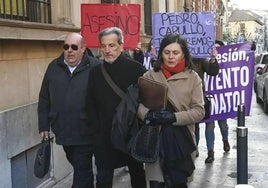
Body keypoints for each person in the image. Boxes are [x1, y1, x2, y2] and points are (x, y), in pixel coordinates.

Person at [137, 33, 205, 188]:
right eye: (167, 52)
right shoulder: (149, 75)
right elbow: (138, 105)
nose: (171, 57)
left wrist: (173, 117)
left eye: (175, 53)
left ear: (183, 54)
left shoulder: (193, 78)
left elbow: (199, 111)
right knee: (156, 184)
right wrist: (148, 114)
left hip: (181, 142)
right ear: (161, 53)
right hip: (154, 140)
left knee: (178, 184)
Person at [85, 27, 146, 188]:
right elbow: (89, 104)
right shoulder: (95, 72)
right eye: (104, 46)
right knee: (103, 179)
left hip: (131, 136)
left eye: (111, 45)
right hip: (104, 138)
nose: (107, 50)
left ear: (121, 45)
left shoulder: (137, 69)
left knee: (137, 175)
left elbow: (147, 101)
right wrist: (96, 132)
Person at [37, 33, 100, 188]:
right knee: (80, 168)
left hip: (86, 131)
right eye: (66, 47)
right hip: (63, 130)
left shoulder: (96, 67)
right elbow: (44, 97)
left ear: (83, 49)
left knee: (81, 169)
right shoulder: (53, 66)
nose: (69, 51)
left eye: (74, 47)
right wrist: (43, 125)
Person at [193, 39, 230, 164]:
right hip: (203, 98)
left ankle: (225, 140)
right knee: (207, 125)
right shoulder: (194, 61)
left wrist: (214, 59)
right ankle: (209, 152)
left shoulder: (207, 61)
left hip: (219, 97)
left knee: (222, 124)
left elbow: (214, 71)